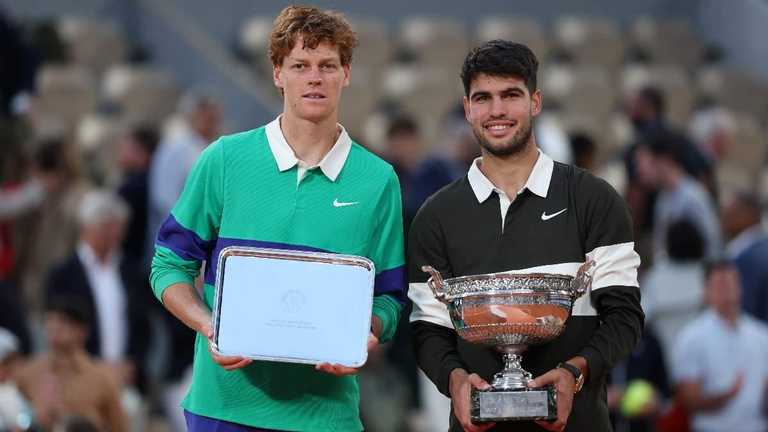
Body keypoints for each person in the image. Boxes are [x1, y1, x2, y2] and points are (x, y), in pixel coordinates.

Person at [149, 6, 406, 431]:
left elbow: (389, 297)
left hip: (326, 417)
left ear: (346, 74)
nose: (314, 78)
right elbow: (168, 265)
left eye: (327, 65)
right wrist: (210, 326)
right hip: (223, 409)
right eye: (300, 65)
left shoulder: (378, 180)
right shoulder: (224, 160)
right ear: (277, 73)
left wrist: (365, 334)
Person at [408, 40, 644, 432]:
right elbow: (427, 330)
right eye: (483, 98)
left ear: (535, 102)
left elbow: (624, 317)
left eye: (510, 95)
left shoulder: (594, 199)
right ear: (467, 109)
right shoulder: (435, 216)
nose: (497, 111)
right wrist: (455, 380)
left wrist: (575, 372)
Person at [671, 259, 768, 432]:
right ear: (705, 292)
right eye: (720, 285)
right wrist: (727, 396)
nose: (727, 290)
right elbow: (688, 401)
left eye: (731, 282)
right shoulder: (691, 338)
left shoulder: (761, 335)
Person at [15, 297, 126, 432]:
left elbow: (119, 426)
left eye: (63, 321)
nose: (55, 327)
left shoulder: (102, 378)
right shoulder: (28, 373)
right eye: (50, 320)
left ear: (82, 331)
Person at [721, 190, 768, 322]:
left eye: (731, 211)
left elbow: (744, 312)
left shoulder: (749, 259)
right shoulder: (746, 251)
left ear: (749, 214)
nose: (724, 216)